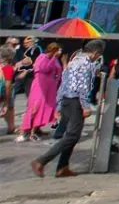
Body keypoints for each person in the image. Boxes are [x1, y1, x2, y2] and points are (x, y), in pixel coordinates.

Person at [31, 38, 103, 177]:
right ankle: (41, 160)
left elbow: (63, 84)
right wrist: (85, 105)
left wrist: (59, 104)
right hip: (75, 101)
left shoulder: (73, 62)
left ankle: (62, 167)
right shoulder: (86, 64)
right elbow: (82, 87)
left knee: (71, 134)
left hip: (66, 100)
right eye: (98, 55)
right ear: (95, 53)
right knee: (72, 135)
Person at [19, 40, 63, 141]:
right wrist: (54, 59)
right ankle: (26, 131)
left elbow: (58, 70)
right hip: (40, 86)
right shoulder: (42, 57)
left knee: (46, 108)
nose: (59, 52)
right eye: (58, 50)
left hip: (50, 87)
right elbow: (43, 69)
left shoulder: (54, 59)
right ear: (53, 50)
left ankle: (37, 129)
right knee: (35, 108)